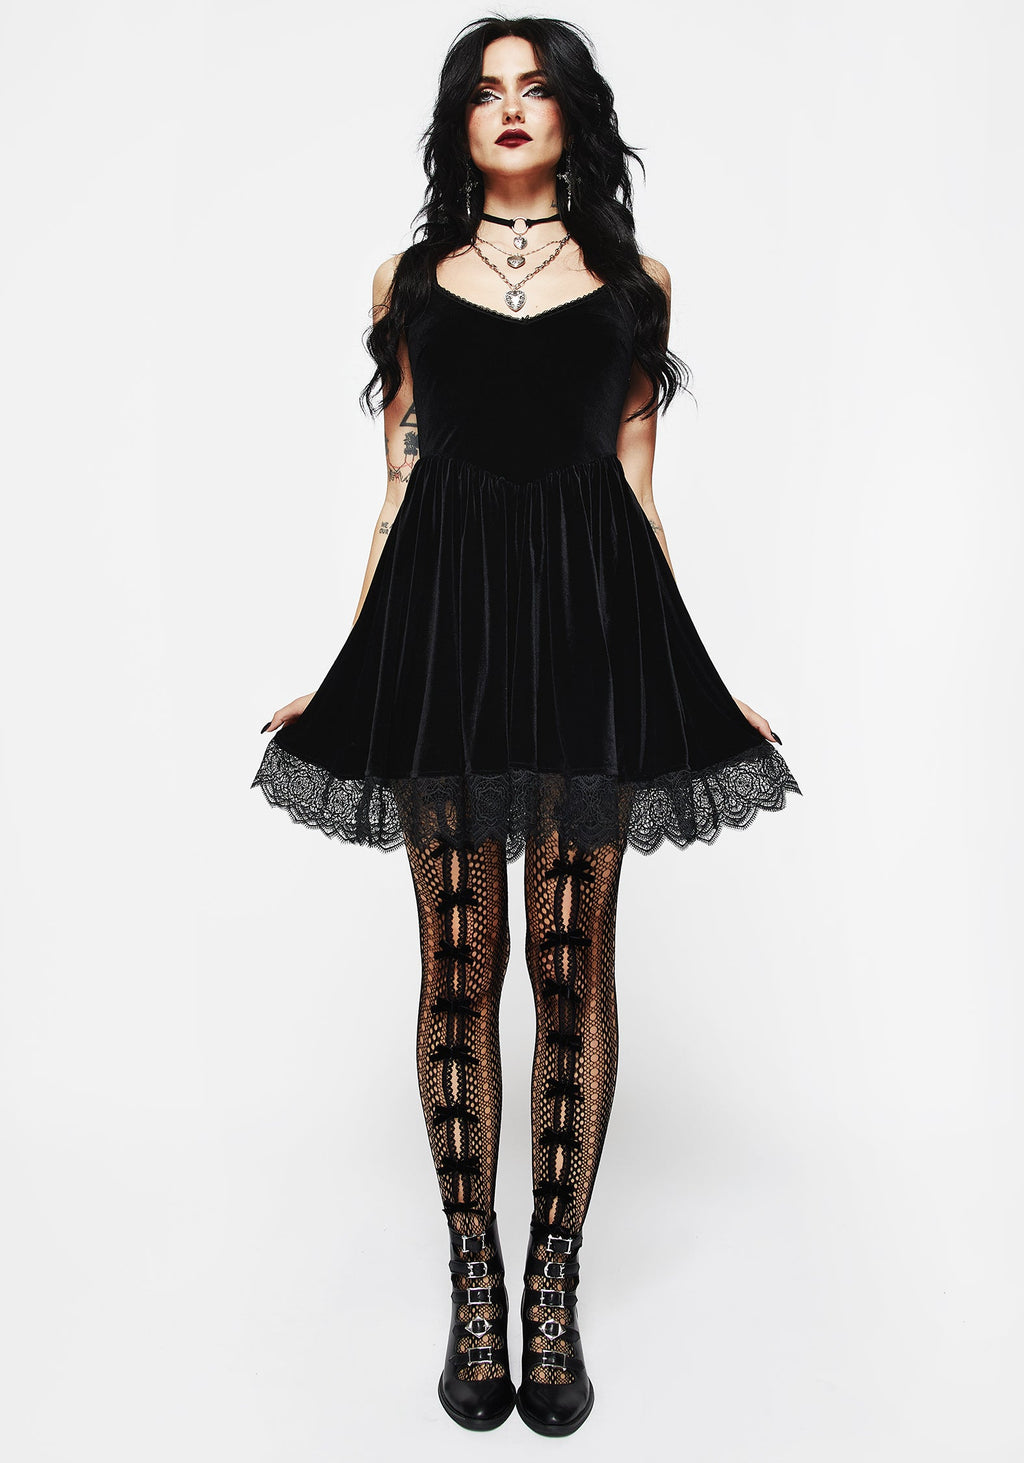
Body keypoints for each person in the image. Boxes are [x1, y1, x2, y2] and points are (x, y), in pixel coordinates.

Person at [251, 14, 801, 1437]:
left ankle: (552, 1283)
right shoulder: (404, 281)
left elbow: (639, 484)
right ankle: (475, 1282)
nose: (509, 109)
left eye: (534, 88)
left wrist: (695, 671)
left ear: (572, 117)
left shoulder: (638, 284)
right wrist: (349, 666)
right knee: (459, 964)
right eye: (485, 91)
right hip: (443, 633)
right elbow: (398, 480)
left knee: (569, 964)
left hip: (591, 634)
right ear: (461, 121)